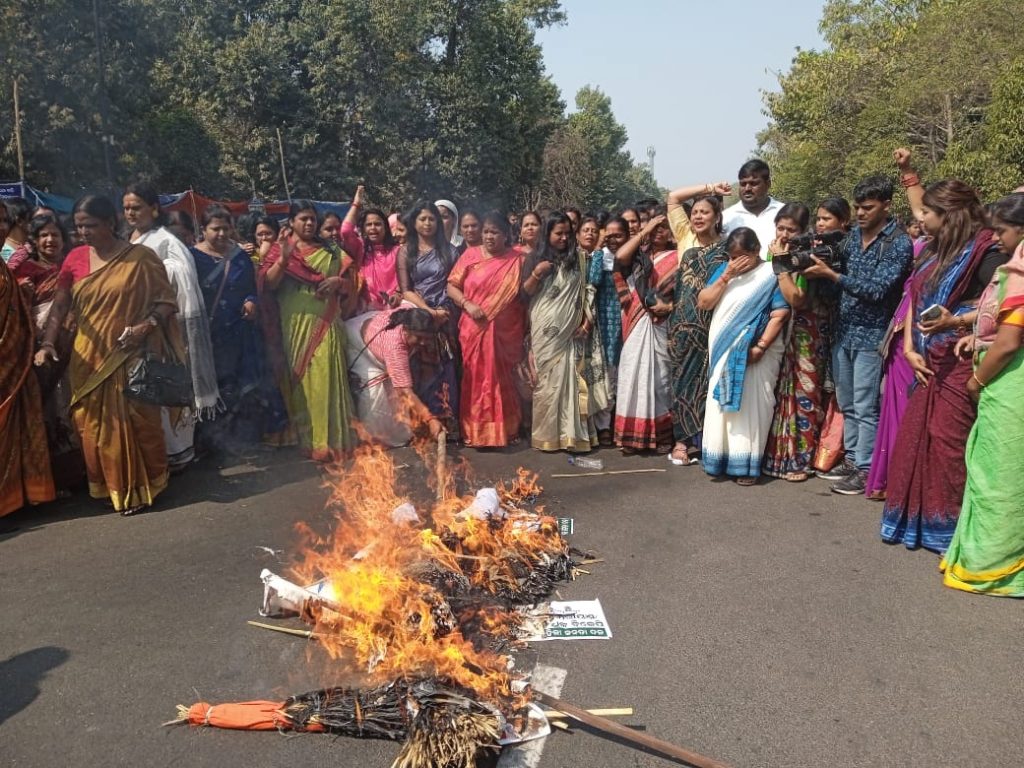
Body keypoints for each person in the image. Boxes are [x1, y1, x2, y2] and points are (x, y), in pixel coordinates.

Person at [880, 181, 1008, 552]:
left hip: (957, 362)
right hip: (925, 359)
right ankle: (921, 524)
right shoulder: (935, 252)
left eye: (927, 213)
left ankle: (952, 529)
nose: (920, 217)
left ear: (948, 216)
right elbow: (914, 299)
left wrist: (956, 322)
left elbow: (997, 308)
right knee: (923, 441)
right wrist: (908, 346)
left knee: (950, 445)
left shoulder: (986, 253)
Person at [35, 195, 182, 515]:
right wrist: (47, 344)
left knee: (139, 422)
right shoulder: (74, 259)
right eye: (77, 227)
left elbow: (167, 302)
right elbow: (60, 306)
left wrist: (146, 326)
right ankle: (109, 485)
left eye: (90, 225)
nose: (83, 232)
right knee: (90, 425)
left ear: (110, 223)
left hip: (131, 354)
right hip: (87, 359)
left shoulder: (141, 258)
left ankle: (146, 485)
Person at [804, 176, 913, 495]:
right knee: (848, 402)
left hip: (873, 334)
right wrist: (816, 272)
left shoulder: (898, 243)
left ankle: (866, 468)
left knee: (866, 405)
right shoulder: (850, 239)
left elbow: (878, 291)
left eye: (868, 207)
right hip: (845, 330)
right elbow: (834, 287)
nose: (861, 213)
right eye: (858, 207)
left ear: (886, 205)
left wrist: (833, 275)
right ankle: (852, 459)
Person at [940, 196, 1024, 596]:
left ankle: (996, 566)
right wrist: (973, 332)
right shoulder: (1010, 270)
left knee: (1001, 477)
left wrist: (977, 382)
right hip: (1004, 378)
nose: (997, 239)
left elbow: (1009, 342)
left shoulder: (1020, 271)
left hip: (1009, 382)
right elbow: (999, 323)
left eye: (1003, 232)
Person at [124, 182, 220, 470]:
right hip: (135, 325)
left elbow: (183, 276)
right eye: (126, 207)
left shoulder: (166, 240)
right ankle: (153, 455)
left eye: (136, 207)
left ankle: (178, 454)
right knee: (143, 390)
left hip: (165, 327)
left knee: (165, 387)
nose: (130, 213)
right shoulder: (130, 239)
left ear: (154, 209)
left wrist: (152, 274)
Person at [258, 199, 355, 462]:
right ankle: (309, 442)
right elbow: (268, 284)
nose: (310, 223)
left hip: (326, 322)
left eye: (313, 219)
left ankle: (331, 442)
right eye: (304, 219)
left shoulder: (332, 251)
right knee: (301, 382)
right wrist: (284, 258)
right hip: (294, 324)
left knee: (326, 378)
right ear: (291, 222)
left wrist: (338, 282)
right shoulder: (280, 249)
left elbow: (351, 283)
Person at [698, 227, 790, 485]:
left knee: (752, 406)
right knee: (720, 407)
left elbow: (779, 315)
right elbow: (704, 302)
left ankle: (746, 467)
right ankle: (718, 461)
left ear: (756, 250)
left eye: (742, 256)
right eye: (732, 256)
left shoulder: (771, 274)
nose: (736, 261)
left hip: (756, 353)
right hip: (722, 351)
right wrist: (726, 275)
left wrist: (760, 347)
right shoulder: (726, 272)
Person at [190, 206, 279, 453]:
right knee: (214, 386)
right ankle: (213, 443)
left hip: (240, 332)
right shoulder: (192, 257)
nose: (220, 233)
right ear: (203, 230)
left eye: (225, 228)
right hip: (209, 334)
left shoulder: (239, 256)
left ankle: (244, 439)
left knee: (244, 385)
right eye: (215, 228)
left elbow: (252, 287)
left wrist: (251, 300)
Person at [763, 202, 835, 482]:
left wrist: (780, 264)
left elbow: (796, 298)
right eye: (780, 228)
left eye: (791, 230)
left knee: (804, 395)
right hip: (783, 333)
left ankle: (800, 461)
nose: (783, 235)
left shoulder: (806, 258)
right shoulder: (778, 254)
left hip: (808, 334)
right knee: (781, 393)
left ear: (802, 232)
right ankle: (779, 456)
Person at [10, 214, 83, 491]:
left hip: (77, 350)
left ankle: (85, 470)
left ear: (64, 240)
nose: (50, 240)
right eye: (44, 235)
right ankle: (59, 477)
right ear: (35, 240)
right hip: (42, 351)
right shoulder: (24, 271)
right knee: (51, 410)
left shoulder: (74, 267)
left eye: (55, 235)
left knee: (74, 405)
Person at [447, 211, 527, 447]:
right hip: (474, 327)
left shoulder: (518, 259)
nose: (489, 237)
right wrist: (468, 304)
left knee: (503, 380)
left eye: (495, 232)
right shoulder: (470, 255)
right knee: (475, 380)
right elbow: (451, 286)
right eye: (486, 232)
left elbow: (525, 295)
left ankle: (506, 431)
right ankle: (476, 432)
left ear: (505, 235)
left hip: (506, 332)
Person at [521, 213, 599, 452]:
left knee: (571, 382)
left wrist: (586, 323)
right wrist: (537, 273)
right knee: (546, 383)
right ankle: (546, 435)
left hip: (571, 332)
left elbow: (588, 292)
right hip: (545, 330)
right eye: (558, 233)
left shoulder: (580, 259)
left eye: (567, 233)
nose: (564, 238)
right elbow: (524, 294)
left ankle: (570, 435)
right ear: (547, 234)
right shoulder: (535, 257)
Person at [665, 182, 730, 465]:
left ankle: (707, 440)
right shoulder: (687, 245)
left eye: (705, 212)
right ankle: (680, 441)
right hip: (682, 326)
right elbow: (673, 197)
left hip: (712, 325)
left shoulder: (727, 251)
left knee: (707, 384)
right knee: (681, 383)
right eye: (696, 212)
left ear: (717, 217)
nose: (699, 217)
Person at [0, 204, 55, 517]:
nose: (0, 227)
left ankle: (18, 499)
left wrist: (23, 292)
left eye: (3, 221)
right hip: (7, 362)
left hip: (15, 364)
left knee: (17, 433)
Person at [612, 212, 678, 454]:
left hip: (663, 321)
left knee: (661, 379)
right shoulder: (638, 255)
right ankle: (631, 436)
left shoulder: (680, 256)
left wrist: (669, 307)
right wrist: (643, 232)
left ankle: (662, 435)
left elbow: (684, 292)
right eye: (655, 227)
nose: (659, 232)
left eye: (664, 227)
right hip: (635, 319)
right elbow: (619, 257)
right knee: (632, 374)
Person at [398, 201, 460, 434]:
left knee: (446, 368)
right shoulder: (406, 252)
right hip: (418, 318)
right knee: (419, 369)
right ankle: (423, 425)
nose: (427, 223)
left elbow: (454, 284)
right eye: (422, 219)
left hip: (445, 315)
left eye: (432, 219)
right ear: (414, 222)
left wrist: (441, 312)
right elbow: (406, 289)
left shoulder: (450, 252)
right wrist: (428, 311)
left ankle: (447, 421)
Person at [345, 306, 445, 447]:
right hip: (357, 342)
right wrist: (430, 419)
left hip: (374, 331)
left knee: (395, 387)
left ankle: (401, 436)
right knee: (374, 396)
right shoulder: (395, 347)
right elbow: (405, 391)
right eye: (419, 337)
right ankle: (373, 441)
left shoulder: (411, 312)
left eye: (426, 338)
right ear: (405, 330)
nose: (423, 342)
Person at [586, 216, 629, 444]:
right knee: (603, 372)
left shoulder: (634, 256)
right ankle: (602, 425)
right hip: (603, 320)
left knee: (622, 373)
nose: (613, 239)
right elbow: (592, 279)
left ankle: (620, 422)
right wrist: (599, 249)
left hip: (629, 319)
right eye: (608, 235)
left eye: (618, 235)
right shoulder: (599, 256)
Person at [341, 187, 401, 312]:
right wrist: (356, 203)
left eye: (378, 224)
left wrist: (398, 294)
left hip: (395, 307)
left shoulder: (398, 251)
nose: (373, 228)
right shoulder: (361, 249)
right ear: (363, 229)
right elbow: (345, 231)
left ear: (386, 227)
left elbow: (406, 278)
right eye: (368, 225)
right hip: (365, 310)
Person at [720, 160, 785, 258]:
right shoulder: (726, 218)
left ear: (768, 184)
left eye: (753, 183)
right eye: (743, 184)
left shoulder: (784, 212)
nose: (747, 188)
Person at [2, 197, 32, 262]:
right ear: (19, 221)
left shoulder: (32, 247)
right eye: (31, 217)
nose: (35, 221)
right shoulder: (4, 252)